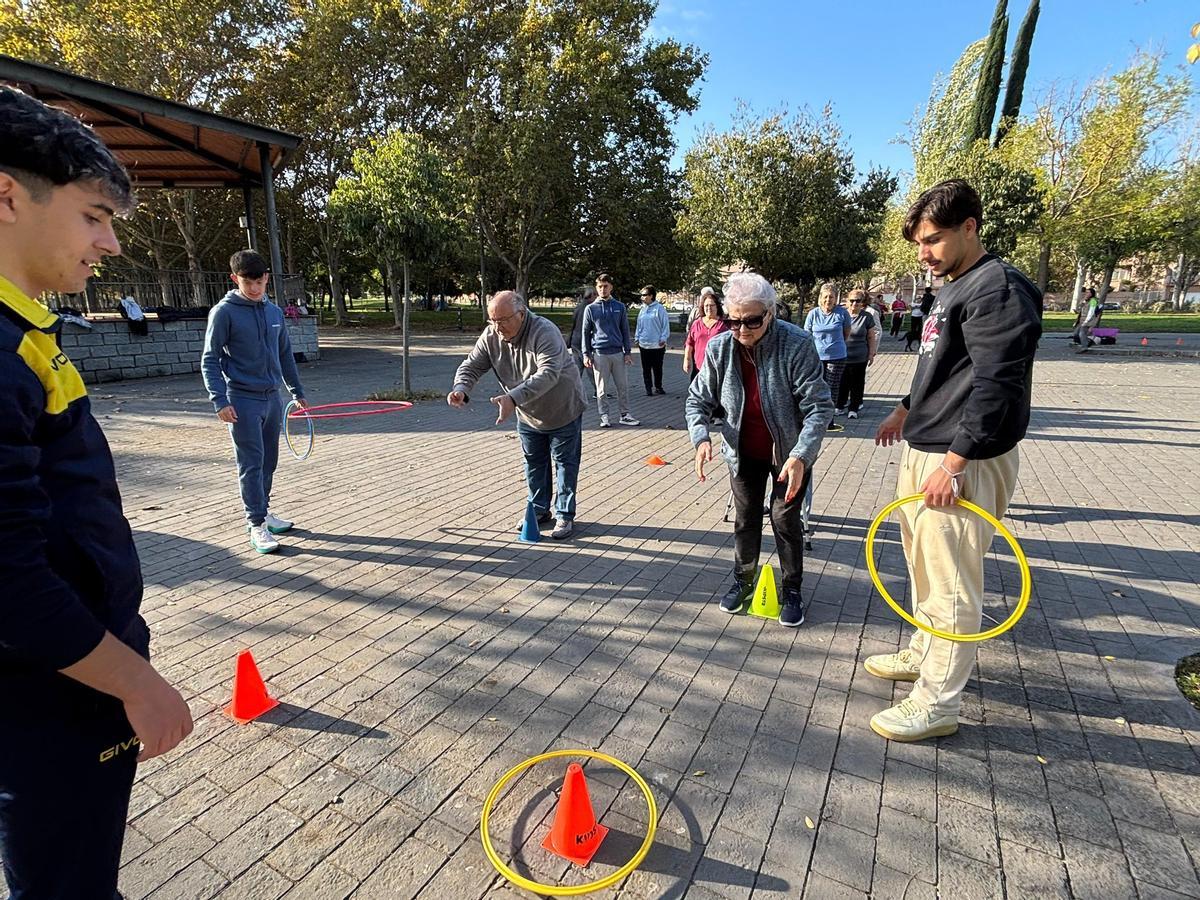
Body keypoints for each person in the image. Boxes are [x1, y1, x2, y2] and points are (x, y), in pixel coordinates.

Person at [0, 86, 193, 899]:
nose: (109, 244)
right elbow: (9, 579)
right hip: (51, 692)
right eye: (92, 216)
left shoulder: (23, 331)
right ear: (7, 196)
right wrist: (136, 685)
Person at [870, 179, 1041, 742]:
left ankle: (938, 703)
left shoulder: (1000, 289)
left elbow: (997, 384)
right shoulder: (952, 285)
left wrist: (956, 462)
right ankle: (925, 650)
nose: (924, 253)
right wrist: (903, 408)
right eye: (919, 242)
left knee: (952, 583)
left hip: (960, 459)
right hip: (929, 447)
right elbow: (941, 368)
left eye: (934, 239)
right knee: (923, 567)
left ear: (971, 227)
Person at [687, 273, 834, 627]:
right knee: (746, 518)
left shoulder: (796, 343)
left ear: (770, 313)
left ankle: (792, 588)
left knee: (784, 519)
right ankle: (743, 579)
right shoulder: (721, 347)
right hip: (743, 450)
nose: (742, 329)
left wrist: (802, 455)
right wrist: (701, 437)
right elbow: (697, 399)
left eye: (752, 320)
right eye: (734, 320)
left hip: (789, 453)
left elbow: (819, 406)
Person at [449, 291, 588, 539]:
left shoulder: (544, 331)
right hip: (527, 412)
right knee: (534, 462)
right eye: (492, 320)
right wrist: (461, 389)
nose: (497, 326)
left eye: (502, 320)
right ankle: (538, 510)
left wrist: (512, 398)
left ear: (521, 314)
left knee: (565, 464)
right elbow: (472, 365)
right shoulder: (492, 334)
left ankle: (564, 516)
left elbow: (549, 373)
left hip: (562, 407)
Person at [201, 249, 309, 554]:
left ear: (266, 279)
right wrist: (219, 400)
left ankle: (265, 511)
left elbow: (285, 355)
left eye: (259, 281)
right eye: (247, 282)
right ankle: (256, 524)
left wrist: (296, 391)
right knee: (250, 463)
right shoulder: (224, 312)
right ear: (235, 279)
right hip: (241, 400)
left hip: (271, 398)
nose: (254, 288)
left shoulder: (274, 313)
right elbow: (210, 359)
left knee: (268, 461)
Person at [582, 273, 638, 427]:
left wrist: (627, 352)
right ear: (596, 288)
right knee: (601, 389)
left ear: (611, 287)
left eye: (606, 286)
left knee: (623, 387)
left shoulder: (619, 307)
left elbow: (625, 331)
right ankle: (604, 416)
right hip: (600, 354)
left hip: (618, 353)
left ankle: (625, 414)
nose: (603, 289)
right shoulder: (591, 309)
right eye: (600, 286)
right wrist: (586, 354)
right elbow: (585, 333)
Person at [804, 283, 852, 428]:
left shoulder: (842, 313)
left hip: (836, 357)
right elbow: (807, 335)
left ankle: (829, 420)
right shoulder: (813, 313)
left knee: (831, 388)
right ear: (820, 298)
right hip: (816, 357)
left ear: (835, 298)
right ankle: (815, 418)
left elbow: (846, 334)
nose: (828, 300)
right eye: (825, 297)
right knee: (816, 388)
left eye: (831, 297)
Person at [836, 289, 881, 418]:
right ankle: (839, 405)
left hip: (860, 356)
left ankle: (853, 408)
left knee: (857, 383)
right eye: (852, 300)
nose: (854, 303)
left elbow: (871, 337)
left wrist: (871, 353)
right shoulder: (842, 315)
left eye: (858, 301)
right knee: (842, 382)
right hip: (842, 355)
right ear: (847, 301)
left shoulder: (867, 317)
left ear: (862, 302)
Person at [683, 292, 729, 382]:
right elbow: (689, 343)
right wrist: (687, 359)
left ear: (717, 306)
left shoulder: (724, 324)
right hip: (698, 368)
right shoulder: (697, 323)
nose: (709, 308)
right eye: (706, 305)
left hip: (717, 369)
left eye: (712, 305)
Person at [635, 284, 670, 395]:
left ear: (651, 296)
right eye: (641, 295)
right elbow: (639, 325)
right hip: (644, 343)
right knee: (646, 368)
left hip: (657, 344)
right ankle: (648, 388)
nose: (642, 297)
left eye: (644, 295)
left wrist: (663, 338)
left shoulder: (659, 309)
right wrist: (637, 337)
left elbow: (665, 325)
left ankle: (658, 386)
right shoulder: (642, 310)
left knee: (657, 367)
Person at [567, 286, 595, 374]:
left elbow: (573, 324)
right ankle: (598, 388)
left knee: (577, 370)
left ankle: (574, 387)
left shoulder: (578, 307)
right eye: (596, 295)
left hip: (575, 340)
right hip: (585, 342)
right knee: (592, 371)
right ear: (591, 296)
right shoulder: (590, 308)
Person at [1073, 288, 1100, 352]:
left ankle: (1084, 347)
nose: (1086, 294)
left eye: (1088, 292)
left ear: (1091, 294)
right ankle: (1089, 341)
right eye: (1086, 292)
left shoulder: (1093, 301)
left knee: (1081, 333)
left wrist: (1086, 321)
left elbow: (1091, 312)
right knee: (1076, 333)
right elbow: (1081, 308)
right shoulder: (1086, 300)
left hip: (1088, 319)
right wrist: (1083, 301)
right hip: (1082, 319)